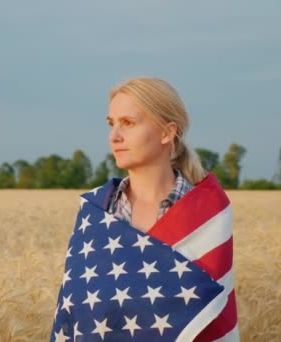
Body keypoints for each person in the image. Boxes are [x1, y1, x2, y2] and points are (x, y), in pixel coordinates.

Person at [50, 78, 238, 341]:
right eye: (111, 123)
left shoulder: (208, 214)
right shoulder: (96, 211)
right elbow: (77, 315)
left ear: (166, 132)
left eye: (128, 123)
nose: (114, 136)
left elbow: (213, 320)